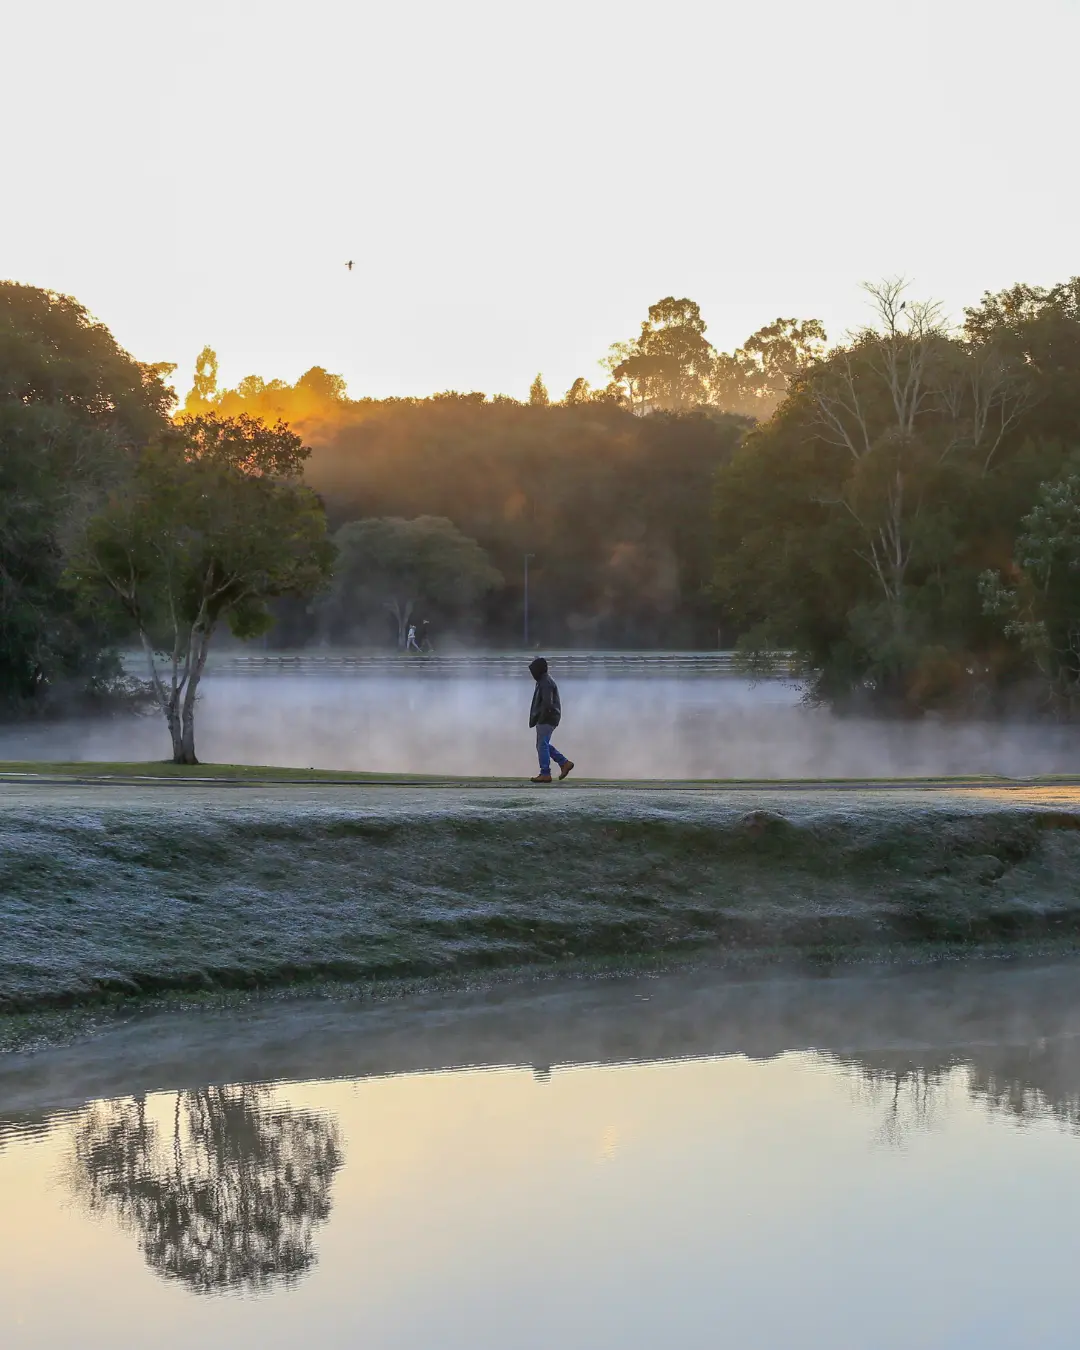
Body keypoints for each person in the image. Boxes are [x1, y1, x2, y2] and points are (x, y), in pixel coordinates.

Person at [528, 656, 574, 783]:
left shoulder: (545, 682)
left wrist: (541, 718)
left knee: (542, 745)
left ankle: (545, 773)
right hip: (549, 717)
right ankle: (564, 763)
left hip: (547, 718)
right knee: (543, 744)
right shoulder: (544, 681)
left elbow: (547, 703)